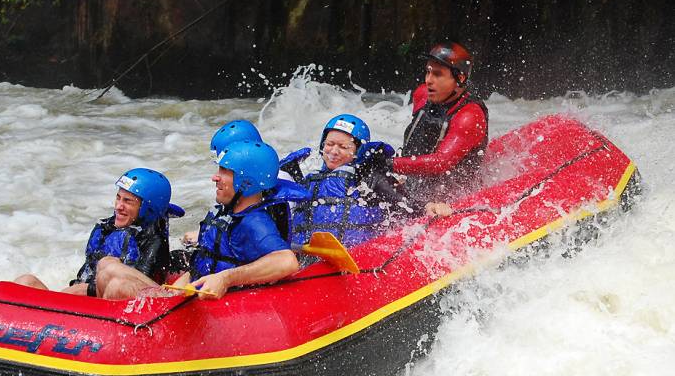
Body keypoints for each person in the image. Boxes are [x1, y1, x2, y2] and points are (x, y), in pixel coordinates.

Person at [100, 139, 299, 300]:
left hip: (209, 309)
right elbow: (203, 260)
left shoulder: (254, 222)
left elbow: (286, 261)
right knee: (107, 265)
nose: (215, 177)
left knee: (117, 286)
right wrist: (177, 289)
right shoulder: (227, 215)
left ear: (246, 182)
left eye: (224, 172)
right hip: (186, 298)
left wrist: (225, 279)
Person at [14, 168, 182, 296]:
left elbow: (137, 289)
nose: (118, 206)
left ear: (147, 208)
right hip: (85, 299)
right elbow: (86, 272)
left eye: (128, 201)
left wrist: (87, 290)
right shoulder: (104, 228)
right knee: (25, 281)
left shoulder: (154, 240)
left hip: (107, 303)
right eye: (118, 198)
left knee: (108, 265)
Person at [389, 42, 488, 207]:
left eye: (437, 74)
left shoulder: (469, 116)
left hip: (449, 200)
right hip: (412, 186)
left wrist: (391, 164)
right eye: (427, 72)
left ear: (460, 78)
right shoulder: (421, 95)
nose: (429, 80)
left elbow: (441, 163)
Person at [288, 114, 402, 247]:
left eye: (343, 147)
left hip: (356, 256)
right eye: (329, 144)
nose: (334, 151)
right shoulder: (309, 180)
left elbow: (404, 204)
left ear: (358, 151)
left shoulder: (368, 179)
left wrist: (427, 206)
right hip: (308, 256)